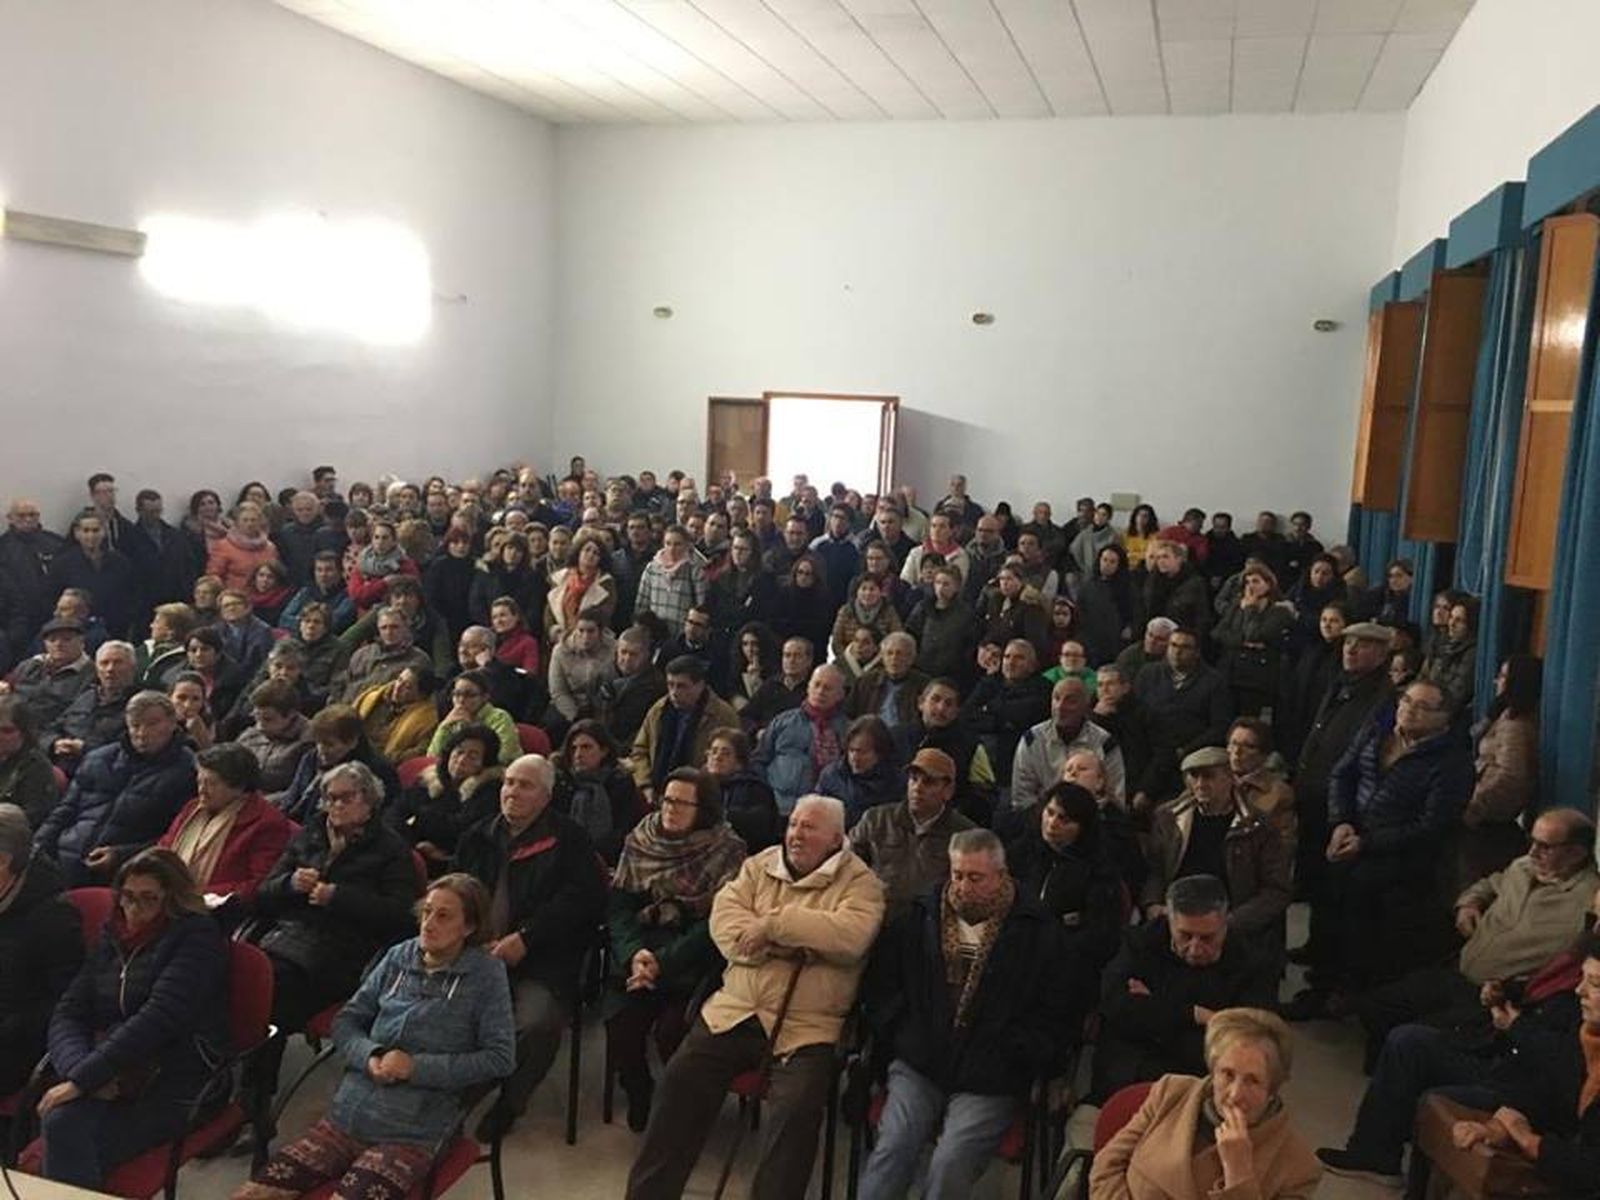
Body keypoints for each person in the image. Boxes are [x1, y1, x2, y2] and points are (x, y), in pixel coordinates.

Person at [624, 795, 885, 1200]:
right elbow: (725, 925)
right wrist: (796, 943)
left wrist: (772, 925)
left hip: (807, 1027)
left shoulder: (861, 882)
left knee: (796, 1111)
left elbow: (850, 937)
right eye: (794, 824)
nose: (796, 834)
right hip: (735, 1010)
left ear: (836, 838)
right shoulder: (758, 865)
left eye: (809, 827)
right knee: (679, 1081)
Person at [233, 874, 515, 1200]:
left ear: (469, 928)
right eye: (426, 912)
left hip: (413, 1131)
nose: (428, 924)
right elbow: (347, 1022)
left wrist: (415, 1067)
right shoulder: (399, 956)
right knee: (251, 1196)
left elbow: (499, 1058)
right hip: (348, 1115)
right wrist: (370, 1054)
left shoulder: (485, 976)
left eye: (444, 916)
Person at [858, 828, 1076, 1200]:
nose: (963, 886)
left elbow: (1056, 1010)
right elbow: (881, 987)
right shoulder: (918, 918)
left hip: (992, 1072)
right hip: (920, 1060)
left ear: (1001, 876)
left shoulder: (1037, 932)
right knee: (894, 1146)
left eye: (975, 878)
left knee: (950, 1161)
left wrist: (1017, 1051)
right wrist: (902, 1033)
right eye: (957, 875)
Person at [1321, 934, 1600, 1195]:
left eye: (1594, 983)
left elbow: (1587, 1157)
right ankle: (1376, 1155)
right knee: (1410, 1039)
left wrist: (1528, 1139)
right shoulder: (1587, 1021)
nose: (1580, 991)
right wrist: (1505, 992)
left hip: (1522, 1073)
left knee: (1435, 1096)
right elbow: (1552, 1082)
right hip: (1508, 1055)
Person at [38, 849, 229, 1190]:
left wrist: (84, 1079)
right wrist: (81, 1071)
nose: (134, 910)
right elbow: (69, 1011)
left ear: (173, 900)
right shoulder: (114, 935)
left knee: (66, 1133)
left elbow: (159, 1018)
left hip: (178, 1080)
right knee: (64, 1126)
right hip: (118, 1069)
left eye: (148, 899)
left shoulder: (196, 937)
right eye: (126, 897)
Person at [1290, 678, 1475, 1019]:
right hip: (1350, 838)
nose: (1408, 709)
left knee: (1362, 913)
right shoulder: (1377, 733)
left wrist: (1366, 843)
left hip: (1400, 860)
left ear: (1444, 719)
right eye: (1406, 701)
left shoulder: (1452, 761)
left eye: (1422, 706)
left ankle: (1353, 992)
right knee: (1324, 894)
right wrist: (1341, 821)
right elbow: (1341, 775)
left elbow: (1432, 825)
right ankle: (1321, 981)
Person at [1351, 809, 1598, 1061]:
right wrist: (1469, 903)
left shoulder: (1587, 901)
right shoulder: (1523, 867)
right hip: (1459, 971)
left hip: (1493, 997)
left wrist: (1510, 991)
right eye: (1532, 841)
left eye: (1545, 847)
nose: (1533, 852)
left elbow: (1568, 967)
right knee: (1376, 1005)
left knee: (1414, 1036)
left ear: (1576, 853)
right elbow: (1490, 883)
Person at [248, 761, 420, 1110]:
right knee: (232, 973)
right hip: (286, 938)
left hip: (344, 953)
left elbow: (401, 916)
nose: (336, 805)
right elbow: (263, 893)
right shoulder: (309, 834)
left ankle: (252, 1102)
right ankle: (221, 1082)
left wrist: (338, 897)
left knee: (269, 991)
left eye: (346, 798)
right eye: (329, 798)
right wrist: (290, 884)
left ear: (369, 800)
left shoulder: (390, 849)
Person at [454, 754, 607, 1141]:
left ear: (546, 795)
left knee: (536, 1024)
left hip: (544, 959)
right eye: (508, 782)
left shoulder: (568, 839)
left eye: (525, 785)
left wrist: (526, 937)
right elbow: (458, 894)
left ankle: (508, 1102)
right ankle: (441, 1099)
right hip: (476, 952)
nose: (512, 792)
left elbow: (583, 903)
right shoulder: (478, 836)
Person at [606, 767, 748, 1131]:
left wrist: (662, 963)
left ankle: (681, 1108)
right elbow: (620, 905)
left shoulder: (727, 848)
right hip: (642, 946)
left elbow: (717, 924)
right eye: (668, 799)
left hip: (694, 954)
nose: (670, 809)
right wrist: (633, 953)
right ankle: (640, 1091)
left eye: (683, 804)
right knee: (621, 1022)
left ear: (703, 810)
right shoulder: (642, 838)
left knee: (675, 1031)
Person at [1089, 1008, 1321, 1200]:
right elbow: (1107, 1165)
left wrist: (1239, 1173)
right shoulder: (1171, 1091)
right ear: (1212, 1068)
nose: (1234, 1094)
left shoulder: (1299, 1168)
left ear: (1273, 1088)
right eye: (1227, 1074)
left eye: (1252, 1081)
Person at [1093, 875, 1276, 1101]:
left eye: (1207, 938)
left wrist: (1153, 1010)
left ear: (1225, 924)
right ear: (1169, 920)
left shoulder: (1253, 965)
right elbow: (1114, 1006)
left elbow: (1240, 1048)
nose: (1195, 949)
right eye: (1185, 936)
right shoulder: (1141, 942)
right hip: (1127, 1077)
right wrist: (1198, 1016)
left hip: (1200, 1089)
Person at [1143, 748, 1292, 969]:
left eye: (1209, 776)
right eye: (1194, 776)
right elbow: (1155, 870)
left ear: (1230, 779)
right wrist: (1152, 904)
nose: (1200, 784)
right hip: (1174, 919)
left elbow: (1276, 890)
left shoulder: (1258, 826)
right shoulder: (1168, 818)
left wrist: (1228, 922)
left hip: (1234, 923)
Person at [34, 690, 197, 885]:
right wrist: (37, 848)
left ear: (172, 723)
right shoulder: (99, 758)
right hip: (64, 856)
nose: (142, 733)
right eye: (135, 725)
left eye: (152, 724)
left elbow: (178, 836)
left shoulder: (188, 770)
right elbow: (64, 811)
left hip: (128, 872)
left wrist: (121, 856)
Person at [1290, 618, 1393, 911]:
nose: (1352, 649)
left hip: (1341, 797)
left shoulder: (1382, 696)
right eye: (1349, 642)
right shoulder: (1340, 683)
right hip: (1313, 785)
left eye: (1363, 644)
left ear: (1382, 654)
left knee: (1332, 875)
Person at [1006, 781, 1125, 1002]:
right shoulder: (1020, 853)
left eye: (1064, 819)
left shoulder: (1099, 871)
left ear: (1082, 827)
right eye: (1049, 813)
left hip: (1067, 971)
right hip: (1015, 957)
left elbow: (1100, 936)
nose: (1052, 823)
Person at [0, 803, 83, 1094]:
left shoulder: (53, 917)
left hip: (17, 1043)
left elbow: (64, 1002)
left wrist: (10, 1026)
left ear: (4, 861)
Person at [155, 741, 293, 907]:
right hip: (172, 897)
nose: (201, 790)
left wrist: (195, 894)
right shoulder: (193, 808)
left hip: (219, 910)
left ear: (239, 787)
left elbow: (258, 885)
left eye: (211, 784)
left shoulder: (266, 824)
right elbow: (164, 849)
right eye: (199, 781)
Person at [849, 747, 976, 915]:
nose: (918, 788)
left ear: (948, 791)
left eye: (928, 782)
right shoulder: (876, 819)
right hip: (875, 916)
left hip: (931, 924)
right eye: (913, 779)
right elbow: (847, 865)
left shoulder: (965, 835)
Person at [1461, 654, 1540, 885]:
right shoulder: (1503, 712)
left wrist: (1472, 806)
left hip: (1487, 818)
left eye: (1504, 676)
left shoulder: (1516, 725)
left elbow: (1511, 777)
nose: (1497, 681)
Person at [1133, 626, 1233, 803]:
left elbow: (1219, 727)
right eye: (1173, 645)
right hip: (1148, 752)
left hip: (1189, 757)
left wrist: (1186, 750)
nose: (1177, 652)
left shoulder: (1214, 682)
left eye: (1185, 647)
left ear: (1197, 652)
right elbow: (1136, 714)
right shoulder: (1148, 674)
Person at [388, 723, 503, 873]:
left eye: (473, 756)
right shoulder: (429, 779)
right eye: (459, 752)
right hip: (406, 851)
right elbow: (393, 815)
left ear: (485, 763)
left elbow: (462, 831)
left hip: (450, 865)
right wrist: (415, 845)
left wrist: (420, 818)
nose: (462, 760)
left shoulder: (489, 791)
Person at [629, 656, 739, 806]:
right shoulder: (659, 709)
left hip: (700, 795)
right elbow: (640, 750)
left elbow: (731, 760)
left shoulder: (723, 716)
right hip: (655, 791)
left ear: (700, 685)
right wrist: (645, 784)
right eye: (670, 685)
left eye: (681, 686)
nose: (674, 692)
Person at [1009, 676, 1126, 816]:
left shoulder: (1105, 743)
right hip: (1041, 819)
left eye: (1070, 701)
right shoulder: (1032, 739)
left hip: (1092, 821)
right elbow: (1022, 798)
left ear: (1086, 705)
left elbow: (1115, 798)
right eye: (1056, 698)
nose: (1060, 706)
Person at [270, 704, 399, 825]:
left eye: (329, 744)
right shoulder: (311, 757)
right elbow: (291, 798)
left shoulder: (376, 772)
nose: (321, 750)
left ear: (352, 742)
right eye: (318, 742)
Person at [961, 638, 1051, 804]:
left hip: (1017, 768)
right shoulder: (990, 683)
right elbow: (965, 715)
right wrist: (1000, 722)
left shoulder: (1043, 688)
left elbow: (1023, 716)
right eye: (1007, 657)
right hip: (981, 765)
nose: (1011, 662)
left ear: (1033, 665)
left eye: (1019, 658)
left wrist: (988, 710)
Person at [752, 664, 848, 815]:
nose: (820, 692)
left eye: (828, 688)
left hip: (825, 809)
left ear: (840, 694)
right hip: (777, 805)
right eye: (816, 685)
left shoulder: (847, 730)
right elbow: (758, 760)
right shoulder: (783, 721)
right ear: (808, 687)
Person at [551, 718, 644, 865]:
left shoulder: (620, 782)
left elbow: (625, 830)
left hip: (607, 857)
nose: (578, 754)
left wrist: (591, 853)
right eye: (573, 748)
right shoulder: (561, 782)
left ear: (604, 751)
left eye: (586, 747)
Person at [1212, 562, 1293, 717]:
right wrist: (1241, 642)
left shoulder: (1280, 611)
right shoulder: (1237, 605)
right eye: (1247, 582)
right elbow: (1218, 632)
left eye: (1256, 581)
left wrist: (1250, 610)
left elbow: (1254, 634)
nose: (1250, 586)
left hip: (1258, 678)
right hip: (1231, 670)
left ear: (1268, 584)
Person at [49, 509, 138, 640]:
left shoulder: (120, 562)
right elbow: (52, 598)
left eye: (96, 530)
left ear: (104, 532)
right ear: (76, 533)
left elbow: (132, 594)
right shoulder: (62, 565)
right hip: (77, 632)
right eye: (86, 531)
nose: (91, 536)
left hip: (116, 630)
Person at [1225, 717, 1297, 858]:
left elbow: (1283, 849)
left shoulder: (1279, 793)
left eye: (1249, 746)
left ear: (1264, 755)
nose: (1237, 752)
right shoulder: (1213, 780)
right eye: (1233, 744)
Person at [6, 617, 94, 731]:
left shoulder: (91, 674)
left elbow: (75, 716)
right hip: (11, 726)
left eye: (66, 639)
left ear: (82, 642)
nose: (58, 644)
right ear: (45, 644)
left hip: (49, 733)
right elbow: (7, 687)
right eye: (52, 640)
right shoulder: (29, 665)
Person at [816, 714, 900, 828]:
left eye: (863, 752)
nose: (855, 758)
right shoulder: (831, 775)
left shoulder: (896, 782)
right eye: (851, 750)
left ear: (880, 753)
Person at [427, 667, 519, 764]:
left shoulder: (499, 717)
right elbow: (432, 757)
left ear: (485, 697)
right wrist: (444, 727)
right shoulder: (454, 720)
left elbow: (503, 756)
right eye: (457, 694)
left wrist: (471, 728)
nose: (461, 700)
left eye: (469, 695)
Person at [235, 681, 312, 794]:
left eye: (268, 719)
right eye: (256, 718)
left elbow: (297, 792)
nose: (260, 727)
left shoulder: (308, 742)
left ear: (291, 714)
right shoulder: (251, 734)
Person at [845, 630, 928, 734]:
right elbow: (849, 714)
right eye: (889, 653)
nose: (894, 658)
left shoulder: (924, 685)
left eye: (900, 654)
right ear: (882, 657)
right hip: (869, 737)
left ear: (911, 658)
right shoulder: (866, 681)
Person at [547, 614, 617, 736]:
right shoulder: (561, 651)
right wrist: (575, 717)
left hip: (603, 706)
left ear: (600, 632)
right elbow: (558, 691)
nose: (585, 636)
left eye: (591, 631)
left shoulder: (613, 649)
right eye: (581, 631)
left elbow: (616, 681)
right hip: (571, 706)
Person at [355, 665, 441, 765]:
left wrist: (386, 759)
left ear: (421, 695)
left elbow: (420, 752)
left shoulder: (428, 720)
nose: (398, 687)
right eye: (399, 680)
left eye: (407, 687)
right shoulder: (373, 697)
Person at [598, 625, 666, 748]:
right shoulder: (604, 674)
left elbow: (640, 728)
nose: (627, 659)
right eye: (623, 652)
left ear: (646, 655)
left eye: (633, 654)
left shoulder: (656, 685)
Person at [207, 502, 280, 595]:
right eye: (245, 520)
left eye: (253, 520)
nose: (249, 524)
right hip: (234, 599)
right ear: (237, 522)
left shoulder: (270, 548)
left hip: (265, 599)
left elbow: (276, 575)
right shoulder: (223, 546)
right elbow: (213, 575)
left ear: (260, 522)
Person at [1420, 595, 1479, 712]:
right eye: (1451, 617)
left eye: (1460, 620)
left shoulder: (1472, 653)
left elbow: (1457, 692)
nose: (1451, 624)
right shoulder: (1444, 644)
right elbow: (1424, 676)